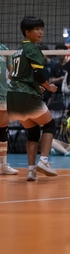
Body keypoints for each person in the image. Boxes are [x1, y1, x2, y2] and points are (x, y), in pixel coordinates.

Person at [7, 16, 59, 181]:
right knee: (50, 124)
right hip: (26, 95)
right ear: (27, 32)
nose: (40, 32)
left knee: (33, 131)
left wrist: (36, 86)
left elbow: (12, 75)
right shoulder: (33, 49)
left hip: (13, 98)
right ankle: (44, 161)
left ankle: (31, 170)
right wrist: (49, 87)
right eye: (36, 29)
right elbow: (38, 74)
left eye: (41, 29)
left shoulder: (17, 52)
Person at [0, 42, 18, 175]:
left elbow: (11, 72)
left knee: (3, 130)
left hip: (3, 94)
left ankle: (3, 164)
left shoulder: (4, 49)